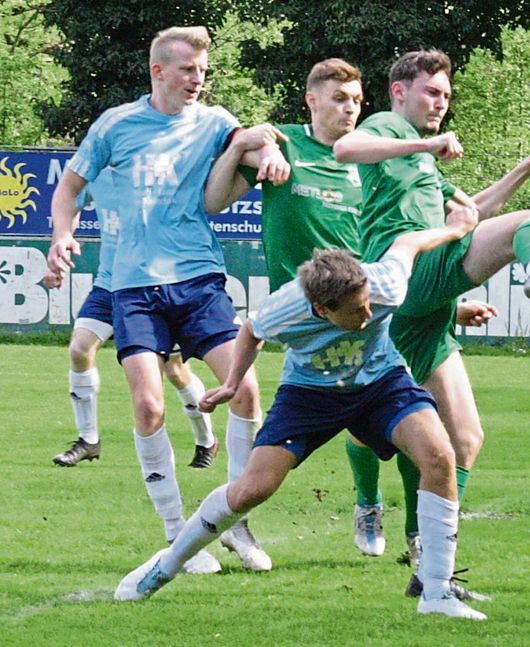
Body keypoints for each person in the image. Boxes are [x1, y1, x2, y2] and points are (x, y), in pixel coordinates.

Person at [115, 214, 489, 620]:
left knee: (439, 455)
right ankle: (165, 565)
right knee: (252, 490)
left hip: (381, 380)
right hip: (310, 394)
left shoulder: (386, 283)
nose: (368, 314)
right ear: (321, 309)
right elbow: (251, 332)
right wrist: (231, 383)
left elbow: (409, 243)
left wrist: (453, 231)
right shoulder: (286, 309)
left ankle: (435, 591)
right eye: (356, 310)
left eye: (368, 303)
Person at [205, 58, 497, 566]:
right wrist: (245, 147)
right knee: (297, 448)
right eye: (340, 99)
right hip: (304, 322)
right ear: (311, 100)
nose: (351, 109)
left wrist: (451, 307)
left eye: (359, 102)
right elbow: (213, 199)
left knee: (417, 431)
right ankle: (244, 520)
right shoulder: (284, 144)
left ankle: (401, 529)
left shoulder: (376, 160)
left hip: (364, 317)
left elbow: (430, 227)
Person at [333, 49, 530, 597]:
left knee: (463, 439)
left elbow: (472, 214)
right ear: (400, 91)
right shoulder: (388, 128)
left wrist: (528, 165)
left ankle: (427, 565)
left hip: (427, 308)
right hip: (406, 270)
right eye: (433, 92)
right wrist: (425, 143)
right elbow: (344, 146)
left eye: (447, 96)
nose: (441, 103)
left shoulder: (422, 163)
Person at [46, 25, 289, 574]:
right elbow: (68, 190)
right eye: (186, 70)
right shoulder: (115, 124)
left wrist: (268, 148)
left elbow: (252, 137)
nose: (197, 80)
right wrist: (63, 234)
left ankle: (234, 524)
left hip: (199, 279)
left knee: (247, 391)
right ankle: (178, 535)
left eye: (203, 71)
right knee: (150, 405)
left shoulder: (215, 122)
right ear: (158, 71)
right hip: (132, 287)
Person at [47, 172, 218, 470]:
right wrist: (62, 240)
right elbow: (71, 205)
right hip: (110, 283)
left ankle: (206, 441)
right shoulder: (94, 171)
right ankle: (88, 440)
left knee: (174, 369)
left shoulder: (150, 169)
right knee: (79, 348)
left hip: (150, 286)